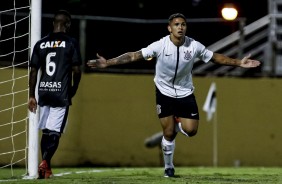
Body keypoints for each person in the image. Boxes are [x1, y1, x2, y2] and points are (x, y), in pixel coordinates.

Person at [87, 13, 261, 177]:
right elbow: (134, 55)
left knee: (191, 131)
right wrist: (108, 63)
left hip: (185, 92)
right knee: (168, 134)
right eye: (176, 25)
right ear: (169, 28)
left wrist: (239, 63)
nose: (180, 27)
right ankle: (169, 167)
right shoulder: (160, 45)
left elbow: (215, 57)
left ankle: (177, 123)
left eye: (183, 24)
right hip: (164, 92)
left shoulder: (194, 46)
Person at [28, 10, 82, 179]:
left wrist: (32, 95)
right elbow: (77, 70)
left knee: (46, 131)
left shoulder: (40, 43)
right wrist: (74, 88)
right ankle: (45, 161)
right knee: (55, 132)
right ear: (68, 24)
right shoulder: (71, 43)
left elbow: (34, 71)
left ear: (53, 23)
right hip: (61, 92)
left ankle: (47, 167)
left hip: (44, 91)